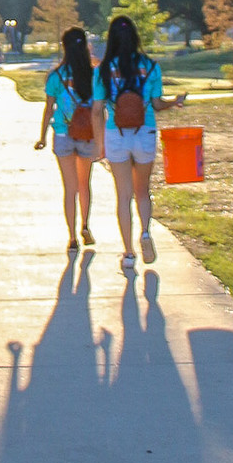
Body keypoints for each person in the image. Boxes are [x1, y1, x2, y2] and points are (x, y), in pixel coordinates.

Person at [93, 13, 186, 270]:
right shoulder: (151, 66)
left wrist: (99, 142)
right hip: (145, 132)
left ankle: (129, 253)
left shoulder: (103, 71)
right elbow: (157, 104)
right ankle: (145, 232)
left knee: (123, 196)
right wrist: (174, 102)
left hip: (116, 134)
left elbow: (96, 109)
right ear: (135, 37)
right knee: (142, 191)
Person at [34, 24, 98, 256]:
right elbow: (100, 109)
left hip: (62, 134)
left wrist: (42, 136)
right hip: (87, 134)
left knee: (69, 188)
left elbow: (48, 109)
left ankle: (71, 236)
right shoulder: (93, 75)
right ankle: (85, 225)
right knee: (84, 185)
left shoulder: (56, 76)